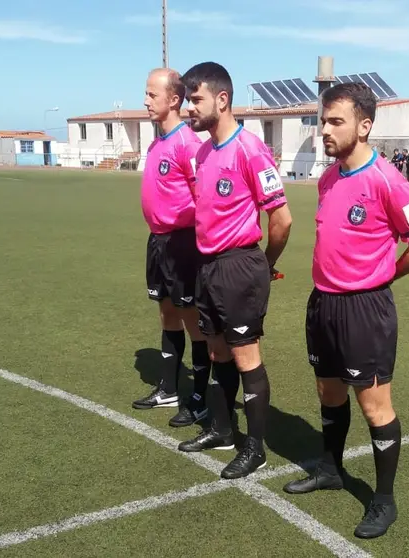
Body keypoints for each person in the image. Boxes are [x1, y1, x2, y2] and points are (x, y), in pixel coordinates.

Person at [281, 82, 409, 539]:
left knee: (374, 407)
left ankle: (384, 500)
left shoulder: (388, 180)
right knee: (328, 393)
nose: (323, 131)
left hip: (364, 309)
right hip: (323, 303)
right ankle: (331, 468)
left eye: (335, 122)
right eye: (321, 121)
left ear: (364, 126)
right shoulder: (329, 177)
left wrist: (382, 277)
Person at [176, 61, 293, 480]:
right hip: (208, 266)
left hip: (240, 264)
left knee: (245, 357)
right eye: (188, 100)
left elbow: (281, 220)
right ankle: (223, 430)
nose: (190, 108)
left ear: (222, 100)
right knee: (216, 351)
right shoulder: (204, 152)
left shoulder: (250, 149)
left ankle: (255, 449)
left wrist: (263, 264)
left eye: (196, 99)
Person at [133, 68, 212, 429]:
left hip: (182, 243)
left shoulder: (188, 144)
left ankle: (199, 396)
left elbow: (204, 199)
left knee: (192, 319)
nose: (146, 101)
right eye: (146, 94)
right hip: (158, 241)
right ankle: (168, 387)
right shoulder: (156, 143)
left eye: (152, 95)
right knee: (166, 313)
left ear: (174, 100)